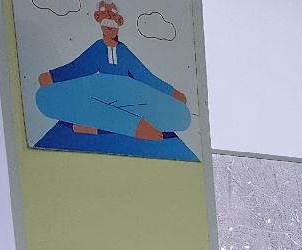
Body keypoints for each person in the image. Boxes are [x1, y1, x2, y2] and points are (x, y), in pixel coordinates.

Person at [34, 2, 191, 144]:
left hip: (128, 100)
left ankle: (94, 126)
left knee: (183, 115)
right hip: (97, 97)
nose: (109, 16)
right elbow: (75, 69)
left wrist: (173, 93)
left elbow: (146, 78)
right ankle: (129, 125)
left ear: (119, 21)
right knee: (44, 96)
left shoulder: (124, 52)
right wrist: (52, 77)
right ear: (97, 17)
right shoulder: (96, 49)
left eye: (113, 13)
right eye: (104, 12)